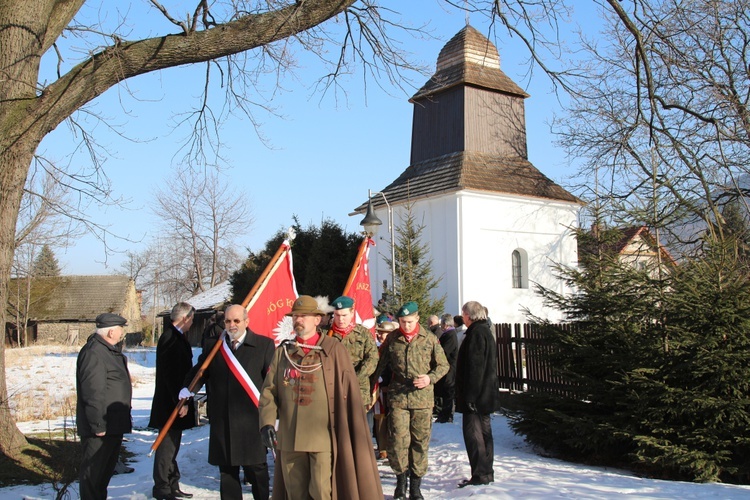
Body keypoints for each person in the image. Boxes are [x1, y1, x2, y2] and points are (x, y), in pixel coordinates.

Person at [258, 295, 383, 500]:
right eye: (296, 316)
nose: (299, 320)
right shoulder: (284, 353)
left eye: (304, 316)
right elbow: (269, 392)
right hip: (290, 438)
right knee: (295, 493)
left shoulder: (333, 350)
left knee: (321, 492)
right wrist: (267, 423)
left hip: (322, 437)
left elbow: (348, 393)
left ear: (317, 319)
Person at [182, 304, 275, 500]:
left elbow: (271, 384)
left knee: (257, 469)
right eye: (228, 321)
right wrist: (187, 388)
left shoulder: (263, 345)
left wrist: (274, 414)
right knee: (227, 471)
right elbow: (200, 371)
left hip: (251, 420)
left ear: (246, 322)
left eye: (236, 321)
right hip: (222, 418)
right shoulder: (214, 345)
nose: (232, 325)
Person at [374, 301, 449, 500]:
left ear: (416, 318)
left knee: (419, 441)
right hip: (398, 396)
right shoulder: (392, 338)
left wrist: (429, 378)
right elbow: (378, 364)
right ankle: (401, 481)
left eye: (408, 321)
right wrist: (369, 385)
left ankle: (416, 486)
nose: (405, 325)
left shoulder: (430, 339)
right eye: (401, 322)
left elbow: (443, 366)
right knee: (398, 440)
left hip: (422, 399)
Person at [76, 313, 132, 500]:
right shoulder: (94, 353)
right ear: (110, 332)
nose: (122, 333)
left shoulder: (108, 351)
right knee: (93, 477)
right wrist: (98, 425)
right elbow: (92, 392)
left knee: (103, 477)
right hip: (100, 429)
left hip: (113, 425)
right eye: (120, 329)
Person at [149, 302, 196, 500]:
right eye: (192, 319)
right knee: (166, 447)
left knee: (172, 447)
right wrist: (181, 401)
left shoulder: (177, 336)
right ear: (185, 318)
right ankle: (162, 487)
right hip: (170, 402)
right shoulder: (170, 338)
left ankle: (172, 483)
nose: (192, 323)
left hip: (175, 399)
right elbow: (171, 374)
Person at [455, 301, 500, 488]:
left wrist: (470, 397)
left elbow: (475, 367)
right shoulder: (486, 331)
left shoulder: (476, 334)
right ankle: (486, 472)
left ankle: (480, 473)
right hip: (486, 393)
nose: (463, 317)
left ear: (468, 315)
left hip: (476, 395)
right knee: (485, 433)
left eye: (463, 314)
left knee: (474, 434)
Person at [328, 295, 379, 419]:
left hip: (358, 390)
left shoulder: (363, 333)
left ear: (352, 313)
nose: (340, 319)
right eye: (337, 315)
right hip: (333, 391)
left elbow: (372, 358)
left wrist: (356, 377)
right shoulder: (326, 335)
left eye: (344, 315)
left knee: (360, 433)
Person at [372, 320, 397, 460]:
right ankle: (382, 448)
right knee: (380, 419)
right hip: (380, 388)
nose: (380, 335)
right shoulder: (376, 348)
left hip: (392, 387)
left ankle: (392, 447)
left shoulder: (394, 348)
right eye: (379, 332)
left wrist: (386, 381)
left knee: (392, 420)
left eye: (384, 333)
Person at [434, 313, 458, 423]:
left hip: (450, 367)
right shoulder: (447, 334)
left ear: (445, 324)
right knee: (444, 391)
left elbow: (445, 351)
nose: (441, 326)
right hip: (447, 367)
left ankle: (447, 415)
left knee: (448, 391)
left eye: (442, 324)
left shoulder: (451, 335)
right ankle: (443, 414)